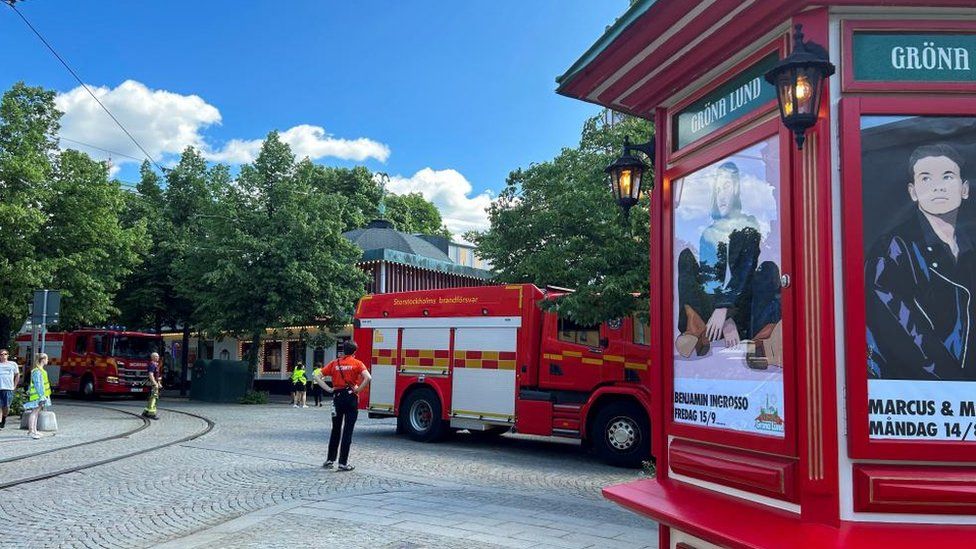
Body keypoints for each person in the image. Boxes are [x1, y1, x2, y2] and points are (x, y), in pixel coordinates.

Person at [865, 143, 976, 380]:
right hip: (921, 397)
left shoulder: (969, 248)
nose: (937, 187)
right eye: (926, 179)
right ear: (913, 192)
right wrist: (957, 388)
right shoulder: (893, 249)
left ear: (964, 189)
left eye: (947, 176)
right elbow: (903, 333)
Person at [675, 161, 782, 367]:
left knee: (768, 269)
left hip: (742, 307)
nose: (721, 195)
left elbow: (744, 273)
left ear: (736, 190)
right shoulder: (709, 234)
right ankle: (694, 328)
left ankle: (762, 341)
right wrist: (722, 317)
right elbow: (710, 280)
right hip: (713, 313)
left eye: (726, 186)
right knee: (685, 257)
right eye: (717, 189)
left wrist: (727, 312)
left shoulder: (749, 226)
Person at [317, 341, 371, 472]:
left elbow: (317, 376)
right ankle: (342, 463)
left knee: (335, 429)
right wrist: (357, 391)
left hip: (337, 398)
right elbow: (368, 378)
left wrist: (329, 389)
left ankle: (330, 459)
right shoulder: (357, 363)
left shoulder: (335, 363)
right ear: (354, 352)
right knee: (348, 430)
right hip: (351, 397)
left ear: (343, 351)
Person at [24, 353, 52, 439]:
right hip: (38, 396)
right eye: (47, 359)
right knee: (34, 412)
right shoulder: (37, 371)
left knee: (36, 413)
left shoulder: (40, 370)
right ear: (43, 360)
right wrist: (42, 396)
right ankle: (31, 431)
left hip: (40, 395)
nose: (47, 361)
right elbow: (38, 384)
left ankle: (34, 430)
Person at [0, 349, 21, 429]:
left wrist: (14, 386)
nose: (3, 356)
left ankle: (4, 418)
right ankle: (0, 422)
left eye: (5, 354)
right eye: (1, 354)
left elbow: (17, 375)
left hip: (8, 388)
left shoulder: (13, 364)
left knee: (6, 406)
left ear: (8, 355)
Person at [143, 352, 162, 420]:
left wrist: (159, 383)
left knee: (152, 397)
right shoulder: (152, 365)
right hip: (153, 384)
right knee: (154, 398)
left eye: (158, 356)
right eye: (156, 356)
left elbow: (157, 376)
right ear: (152, 357)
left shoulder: (156, 365)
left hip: (155, 383)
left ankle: (146, 412)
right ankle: (151, 414)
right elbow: (150, 375)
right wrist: (155, 383)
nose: (158, 357)